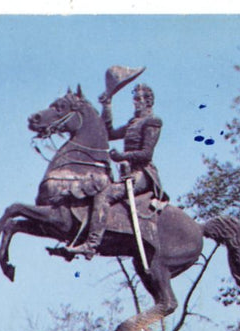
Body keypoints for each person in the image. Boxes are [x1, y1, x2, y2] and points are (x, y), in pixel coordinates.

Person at [66, 84, 166, 259]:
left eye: (138, 99)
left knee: (104, 196)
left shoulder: (153, 122)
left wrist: (122, 156)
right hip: (128, 172)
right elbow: (109, 133)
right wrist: (107, 106)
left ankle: (92, 244)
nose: (135, 103)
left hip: (143, 173)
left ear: (148, 101)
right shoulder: (132, 124)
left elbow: (146, 153)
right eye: (134, 99)